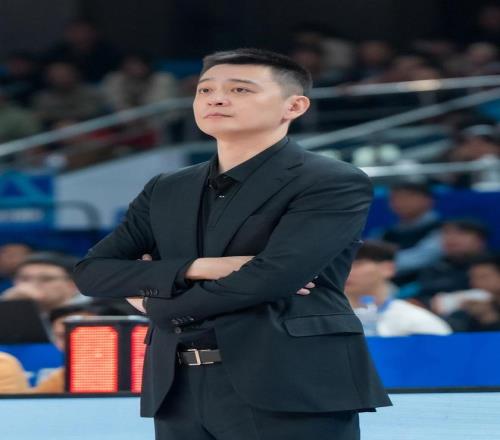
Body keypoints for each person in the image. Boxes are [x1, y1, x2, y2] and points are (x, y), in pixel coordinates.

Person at [74, 48, 390, 440]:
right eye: (205, 90)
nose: (216, 99)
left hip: (291, 382)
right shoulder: (166, 188)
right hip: (176, 387)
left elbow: (273, 278)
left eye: (240, 89)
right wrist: (199, 267)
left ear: (294, 106)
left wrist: (157, 305)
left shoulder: (332, 180)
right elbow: (91, 273)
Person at [345, 240, 451, 336]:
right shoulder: (335, 320)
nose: (345, 272)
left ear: (388, 268)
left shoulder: (417, 321)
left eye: (357, 265)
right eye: (341, 266)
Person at [415, 220, 489, 303]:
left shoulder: (493, 266)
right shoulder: (432, 268)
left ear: (480, 240)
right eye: (446, 233)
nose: (451, 238)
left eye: (461, 233)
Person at [2, 252, 89, 314]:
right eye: (24, 279)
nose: (33, 284)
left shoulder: (90, 313)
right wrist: (6, 305)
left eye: (46, 279)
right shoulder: (10, 302)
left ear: (73, 285)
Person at [441, 255, 500, 332]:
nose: (476, 283)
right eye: (472, 278)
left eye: (483, 277)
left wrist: (489, 317)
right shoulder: (469, 306)